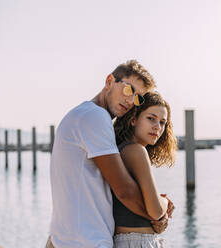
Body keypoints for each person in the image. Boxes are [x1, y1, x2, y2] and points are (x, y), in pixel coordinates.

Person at [46, 60, 170, 248]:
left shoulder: (82, 114)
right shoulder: (95, 116)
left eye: (138, 97)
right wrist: (159, 215)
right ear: (109, 81)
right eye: (129, 90)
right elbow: (124, 191)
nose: (130, 101)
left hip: (66, 238)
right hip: (85, 241)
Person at [112, 92, 177, 247]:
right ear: (133, 119)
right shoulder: (136, 151)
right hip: (137, 242)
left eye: (162, 122)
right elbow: (156, 211)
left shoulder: (123, 150)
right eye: (151, 118)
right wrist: (165, 201)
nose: (157, 127)